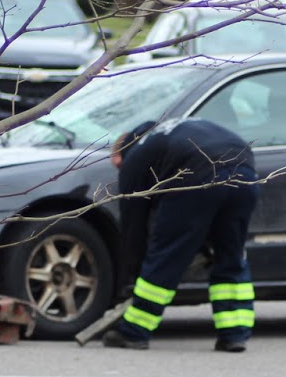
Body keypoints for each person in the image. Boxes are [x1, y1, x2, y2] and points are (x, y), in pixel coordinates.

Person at [103, 118, 260, 352]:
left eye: (117, 165)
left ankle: (135, 331)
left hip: (197, 177)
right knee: (231, 255)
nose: (119, 170)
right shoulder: (170, 131)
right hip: (245, 174)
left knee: (165, 256)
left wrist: (134, 273)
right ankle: (235, 334)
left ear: (120, 155)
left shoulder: (134, 157)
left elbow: (133, 228)